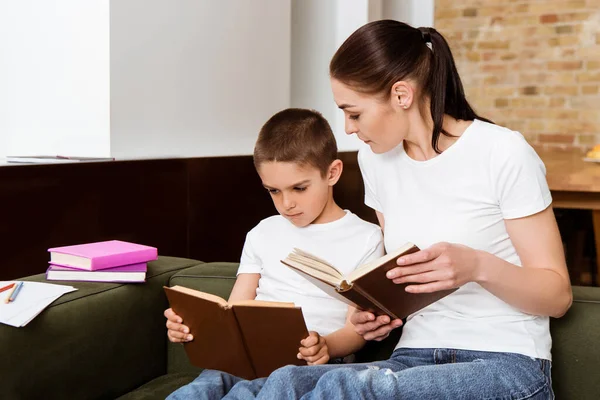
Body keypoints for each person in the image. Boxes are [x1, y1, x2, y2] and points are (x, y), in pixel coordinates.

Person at [205, 20, 571, 399]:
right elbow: (398, 285)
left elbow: (557, 296)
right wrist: (375, 314)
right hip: (411, 357)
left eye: (355, 113)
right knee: (285, 380)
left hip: (505, 362)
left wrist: (477, 266)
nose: (347, 128)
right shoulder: (377, 161)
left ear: (401, 95)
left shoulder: (502, 151)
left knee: (347, 389)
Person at [165, 108, 384, 399]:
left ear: (332, 173)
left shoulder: (366, 237)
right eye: (274, 191)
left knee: (252, 391)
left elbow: (357, 330)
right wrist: (194, 328)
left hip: (316, 361)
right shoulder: (262, 233)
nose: (287, 204)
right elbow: (232, 311)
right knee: (202, 387)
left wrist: (326, 346)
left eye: (299, 188)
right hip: (251, 354)